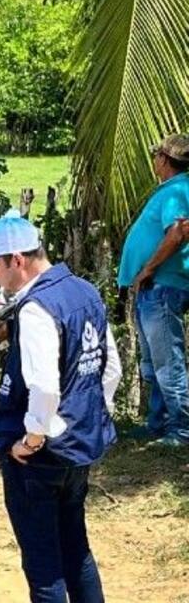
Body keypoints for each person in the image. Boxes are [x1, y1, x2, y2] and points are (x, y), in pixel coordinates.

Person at [0, 211, 121, 603]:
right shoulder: (84, 292)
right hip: (79, 446)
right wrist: (88, 417)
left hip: (41, 454)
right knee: (75, 542)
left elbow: (45, 387)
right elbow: (108, 367)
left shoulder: (35, 310)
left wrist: (31, 438)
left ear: (16, 260)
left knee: (43, 557)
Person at [118, 134, 189, 445]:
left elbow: (177, 233)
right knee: (153, 362)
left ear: (163, 160)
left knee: (166, 361)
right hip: (156, 286)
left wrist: (147, 268)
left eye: (156, 157)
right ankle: (158, 423)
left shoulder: (177, 190)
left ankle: (181, 429)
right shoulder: (175, 189)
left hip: (161, 285)